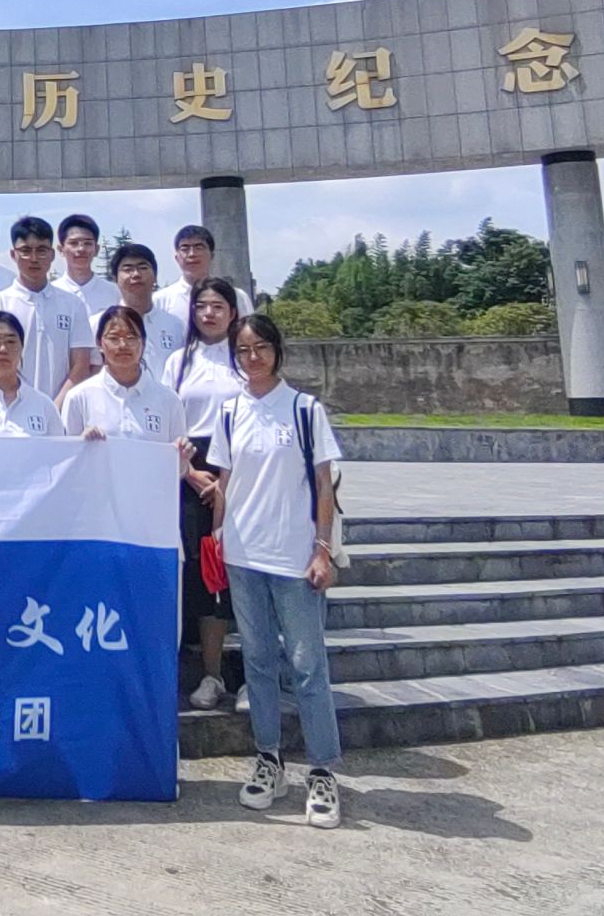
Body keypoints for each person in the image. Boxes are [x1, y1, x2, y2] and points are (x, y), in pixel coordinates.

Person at [210, 313, 345, 830]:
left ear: (277, 350)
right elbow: (224, 483)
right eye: (243, 350)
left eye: (261, 347)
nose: (253, 357)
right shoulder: (229, 412)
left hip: (294, 558)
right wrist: (216, 538)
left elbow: (325, 485)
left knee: (308, 666)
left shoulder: (305, 410)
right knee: (259, 662)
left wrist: (322, 549)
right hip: (244, 556)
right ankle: (269, 758)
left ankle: (323, 770)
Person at [166, 275, 247, 710]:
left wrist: (229, 482)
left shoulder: (247, 357)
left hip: (244, 474)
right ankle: (212, 675)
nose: (209, 313)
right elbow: (167, 422)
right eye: (201, 306)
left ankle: (254, 677)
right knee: (205, 575)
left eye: (218, 306)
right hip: (192, 474)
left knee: (245, 573)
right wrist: (194, 475)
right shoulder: (178, 361)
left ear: (233, 312)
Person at [0, 215, 95, 407]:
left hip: (62, 410)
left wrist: (55, 408)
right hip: (11, 409)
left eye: (42, 250)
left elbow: (80, 365)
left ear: (52, 255)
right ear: (13, 254)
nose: (34, 258)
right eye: (25, 251)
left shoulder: (72, 304)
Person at [65, 305, 190, 448]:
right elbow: (67, 456)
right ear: (99, 343)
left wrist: (183, 455)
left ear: (143, 343)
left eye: (131, 338)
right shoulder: (79, 397)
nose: (123, 345)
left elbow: (177, 460)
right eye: (114, 338)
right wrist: (81, 442)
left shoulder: (169, 400)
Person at [159, 224, 253, 334]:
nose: (192, 254)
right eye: (185, 248)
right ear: (176, 257)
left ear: (212, 255)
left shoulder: (238, 297)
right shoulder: (161, 300)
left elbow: (250, 336)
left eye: (199, 248)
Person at [110, 241, 189, 368]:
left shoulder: (176, 325)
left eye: (143, 268)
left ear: (155, 276)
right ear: (115, 278)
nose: (136, 274)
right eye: (128, 269)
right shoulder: (101, 324)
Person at [53, 214, 117, 318]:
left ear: (96, 249)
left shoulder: (114, 293)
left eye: (87, 243)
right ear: (61, 250)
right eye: (74, 243)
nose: (81, 249)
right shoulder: (50, 294)